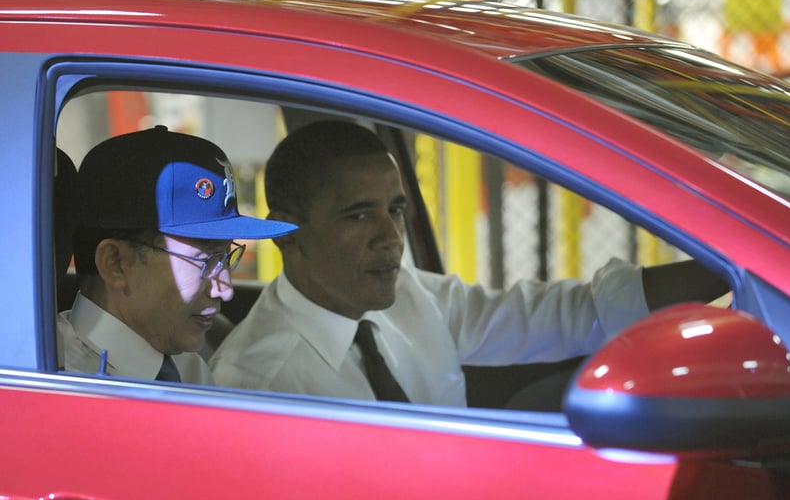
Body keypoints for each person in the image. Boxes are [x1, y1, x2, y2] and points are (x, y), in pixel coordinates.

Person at [209, 120, 729, 405]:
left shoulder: (410, 297)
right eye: (358, 216)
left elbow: (569, 314)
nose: (391, 237)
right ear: (287, 232)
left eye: (395, 209)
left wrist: (730, 264)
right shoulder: (256, 385)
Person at [57, 125, 297, 384]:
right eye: (205, 260)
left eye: (226, 257)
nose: (224, 290)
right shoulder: (61, 385)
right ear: (116, 264)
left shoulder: (188, 365)